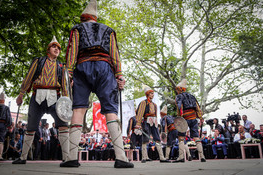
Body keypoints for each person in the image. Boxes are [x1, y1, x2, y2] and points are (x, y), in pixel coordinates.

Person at [61, 0, 133, 168]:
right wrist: (119, 75)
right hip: (105, 68)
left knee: (78, 109)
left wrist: (69, 74)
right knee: (111, 111)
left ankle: (71, 157)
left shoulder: (76, 29)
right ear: (95, 17)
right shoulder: (109, 31)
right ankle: (121, 157)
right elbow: (115, 54)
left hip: (82, 66)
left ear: (83, 18)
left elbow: (72, 52)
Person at [12, 36, 69, 164]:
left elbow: (65, 85)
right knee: (31, 127)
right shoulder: (38, 61)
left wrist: (66, 101)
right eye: (54, 46)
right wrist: (21, 94)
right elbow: (29, 77)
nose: (57, 49)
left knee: (63, 126)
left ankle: (66, 158)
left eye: (58, 48)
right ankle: (23, 158)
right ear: (48, 49)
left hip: (56, 97)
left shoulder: (62, 65)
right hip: (37, 95)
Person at [173, 79, 206, 163]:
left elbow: (180, 107)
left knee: (181, 137)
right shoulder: (192, 96)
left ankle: (181, 157)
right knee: (196, 137)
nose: (177, 91)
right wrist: (201, 118)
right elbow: (197, 108)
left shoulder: (179, 96)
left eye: (177, 89)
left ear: (180, 89)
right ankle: (202, 156)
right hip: (194, 118)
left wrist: (179, 118)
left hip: (185, 118)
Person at [135, 87, 171, 163]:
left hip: (154, 122)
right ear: (147, 94)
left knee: (157, 138)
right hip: (146, 122)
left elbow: (156, 116)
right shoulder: (143, 103)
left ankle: (162, 157)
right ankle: (144, 157)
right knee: (145, 139)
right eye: (151, 93)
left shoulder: (154, 105)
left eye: (153, 94)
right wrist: (138, 124)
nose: (153, 95)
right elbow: (140, 114)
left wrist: (157, 123)